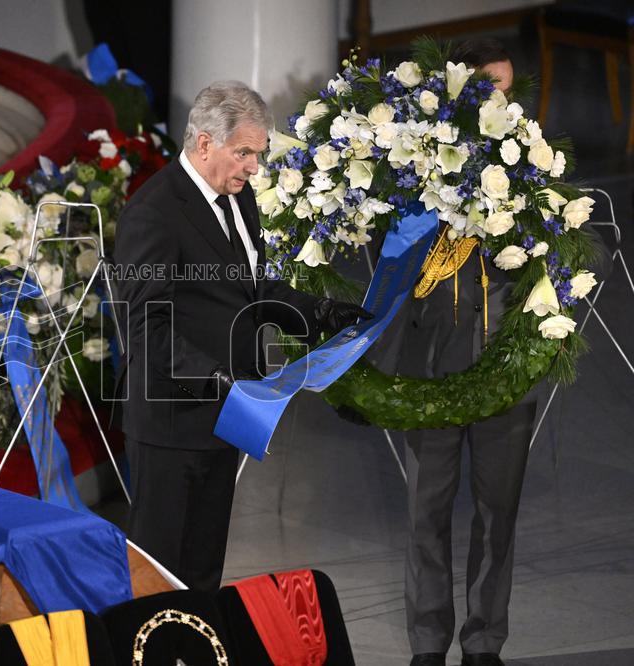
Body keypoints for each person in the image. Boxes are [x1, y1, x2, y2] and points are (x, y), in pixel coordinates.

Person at [112, 81, 371, 592]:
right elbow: (144, 328)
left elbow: (250, 288)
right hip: (172, 423)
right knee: (156, 579)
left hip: (227, 414)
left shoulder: (237, 196)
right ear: (205, 144)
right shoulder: (153, 212)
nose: (254, 167)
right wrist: (217, 381)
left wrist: (319, 313)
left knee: (204, 570)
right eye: (245, 153)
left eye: (259, 154)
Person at [398, 39, 528, 666]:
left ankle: (483, 643)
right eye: (486, 88)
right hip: (430, 369)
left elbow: (573, 250)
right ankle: (427, 645)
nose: (499, 100)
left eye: (506, 87)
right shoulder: (418, 168)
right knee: (426, 513)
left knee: (496, 514)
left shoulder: (535, 168)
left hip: (505, 369)